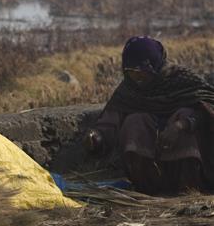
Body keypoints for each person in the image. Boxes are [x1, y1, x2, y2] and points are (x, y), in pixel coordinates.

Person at [85, 36, 214, 195]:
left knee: (183, 115)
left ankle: (188, 188)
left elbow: (208, 110)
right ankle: (148, 187)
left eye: (141, 73)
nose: (137, 79)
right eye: (131, 73)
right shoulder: (129, 89)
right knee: (134, 121)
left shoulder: (182, 79)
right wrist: (97, 136)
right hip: (151, 177)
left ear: (154, 66)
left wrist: (182, 125)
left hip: (191, 175)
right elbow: (112, 118)